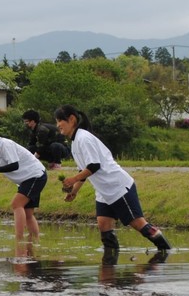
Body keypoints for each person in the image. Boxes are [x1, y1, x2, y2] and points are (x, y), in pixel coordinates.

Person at [54, 105, 172, 266]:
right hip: (103, 192)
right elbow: (84, 169)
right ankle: (109, 275)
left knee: (138, 224)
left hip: (117, 187)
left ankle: (165, 252)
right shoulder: (75, 142)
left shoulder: (83, 138)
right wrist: (74, 191)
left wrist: (73, 179)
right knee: (104, 225)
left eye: (60, 120)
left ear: (72, 119)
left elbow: (94, 165)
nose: (57, 125)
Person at [0, 127, 47, 249]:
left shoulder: (5, 144)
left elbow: (14, 165)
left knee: (16, 205)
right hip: (25, 180)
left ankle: (19, 241)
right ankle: (34, 243)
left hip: (35, 175)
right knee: (28, 213)